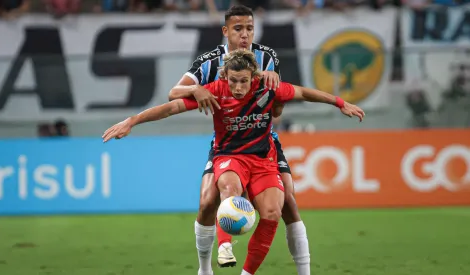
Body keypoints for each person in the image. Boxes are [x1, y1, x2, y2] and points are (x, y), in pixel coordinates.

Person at [102, 49, 365, 275]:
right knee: (229, 190)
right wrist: (132, 121)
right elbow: (171, 107)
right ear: (225, 77)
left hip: (263, 160)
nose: (238, 88)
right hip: (229, 156)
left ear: (254, 78)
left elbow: (304, 93)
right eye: (234, 81)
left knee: (273, 212)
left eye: (244, 82)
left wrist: (339, 102)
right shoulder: (215, 91)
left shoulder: (268, 88)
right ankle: (225, 246)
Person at [167, 4, 311, 274]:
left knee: (288, 202)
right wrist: (196, 90)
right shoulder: (210, 61)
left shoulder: (267, 57)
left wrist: (276, 82)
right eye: (238, 29)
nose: (245, 35)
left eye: (249, 28)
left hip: (263, 139)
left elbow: (277, 103)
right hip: (228, 143)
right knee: (208, 200)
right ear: (226, 31)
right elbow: (174, 92)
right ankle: (205, 269)